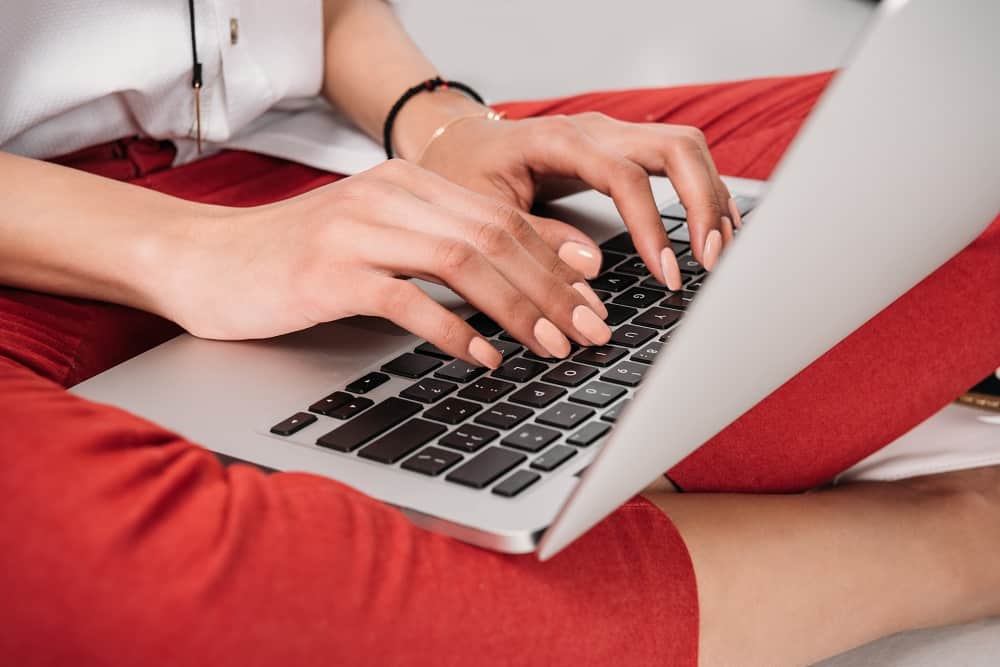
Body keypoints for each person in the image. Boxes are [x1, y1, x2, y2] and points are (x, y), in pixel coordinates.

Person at [1, 2, 998, 665]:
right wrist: (191, 250)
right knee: (118, 581)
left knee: (950, 144)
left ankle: (481, 543)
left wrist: (440, 129)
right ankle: (943, 535)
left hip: (313, 162)